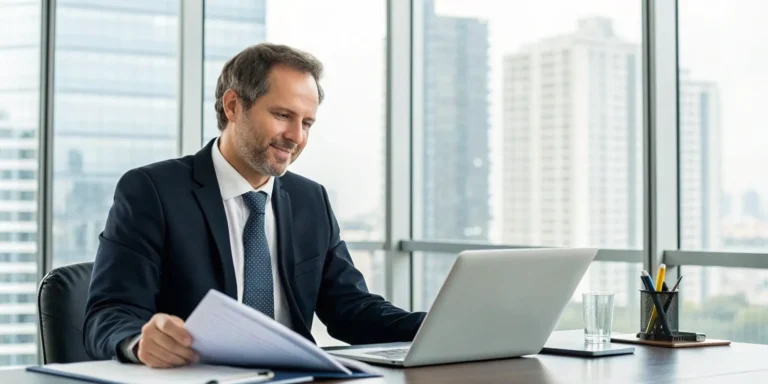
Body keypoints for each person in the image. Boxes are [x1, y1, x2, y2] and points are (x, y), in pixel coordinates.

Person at [84, 43, 426, 368]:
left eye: (306, 123)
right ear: (233, 106)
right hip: (198, 376)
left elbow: (351, 309)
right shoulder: (153, 191)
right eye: (282, 115)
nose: (296, 136)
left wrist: (438, 328)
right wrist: (138, 342)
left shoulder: (311, 200)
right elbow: (108, 313)